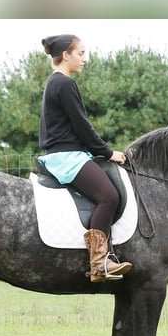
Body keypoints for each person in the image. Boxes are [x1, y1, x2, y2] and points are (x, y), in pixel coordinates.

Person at [38, 34, 132, 282]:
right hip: (67, 156)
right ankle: (99, 262)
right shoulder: (64, 83)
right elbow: (82, 126)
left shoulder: (54, 82)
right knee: (109, 196)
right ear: (66, 55)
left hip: (66, 153)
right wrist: (108, 152)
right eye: (80, 53)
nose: (84, 59)